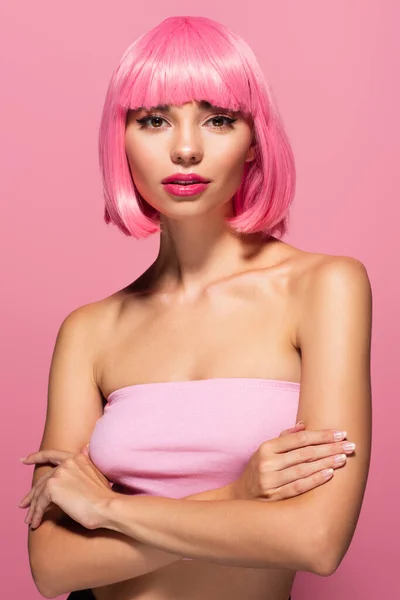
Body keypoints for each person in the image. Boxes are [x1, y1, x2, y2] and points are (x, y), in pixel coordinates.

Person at [19, 15, 372, 600]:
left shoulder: (324, 287)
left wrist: (105, 508)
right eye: (154, 120)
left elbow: (317, 537)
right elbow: (52, 566)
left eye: (218, 119)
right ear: (121, 138)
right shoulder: (89, 330)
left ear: (255, 138)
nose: (186, 148)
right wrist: (237, 498)